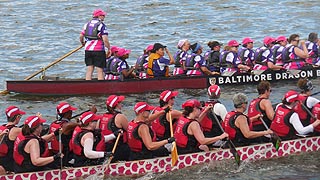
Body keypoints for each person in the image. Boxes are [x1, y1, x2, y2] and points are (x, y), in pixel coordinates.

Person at [80, 9, 111, 80]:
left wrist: (82, 43)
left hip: (87, 49)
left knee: (89, 69)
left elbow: (81, 36)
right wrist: (109, 48)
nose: (104, 17)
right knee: (99, 70)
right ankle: (101, 86)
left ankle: (87, 85)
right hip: (98, 50)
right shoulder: (101, 25)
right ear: (98, 16)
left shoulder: (86, 24)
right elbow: (105, 39)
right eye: (103, 15)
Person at [99, 95, 130, 161]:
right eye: (120, 103)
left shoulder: (101, 118)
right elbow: (130, 130)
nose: (121, 104)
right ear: (117, 105)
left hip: (105, 148)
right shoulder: (120, 117)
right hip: (117, 149)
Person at [48, 102, 77, 166]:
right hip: (65, 156)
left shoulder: (53, 124)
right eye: (71, 111)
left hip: (55, 153)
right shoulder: (68, 125)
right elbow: (84, 124)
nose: (72, 113)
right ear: (68, 113)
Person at [0, 106, 25, 172]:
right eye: (20, 117)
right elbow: (31, 131)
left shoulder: (2, 127)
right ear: (17, 117)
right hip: (9, 163)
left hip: (2, 159)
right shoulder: (16, 130)